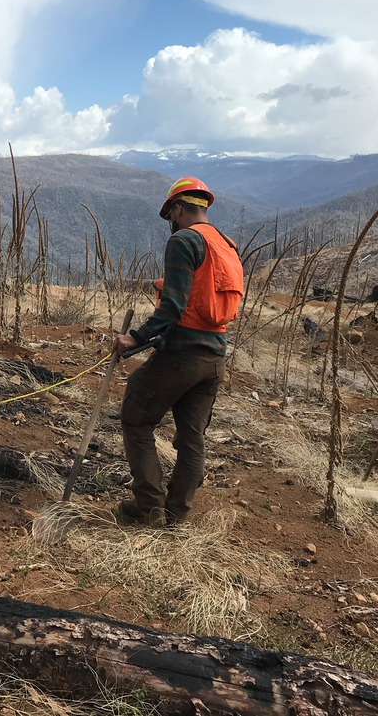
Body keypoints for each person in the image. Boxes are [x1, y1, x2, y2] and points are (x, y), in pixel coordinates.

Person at [110, 177, 244, 527]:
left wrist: (135, 339)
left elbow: (173, 306)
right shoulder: (226, 245)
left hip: (182, 354)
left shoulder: (184, 240)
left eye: (170, 214)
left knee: (136, 417)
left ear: (178, 209)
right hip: (215, 358)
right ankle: (176, 516)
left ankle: (148, 508)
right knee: (192, 438)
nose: (170, 221)